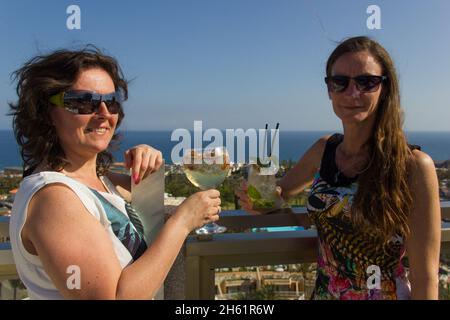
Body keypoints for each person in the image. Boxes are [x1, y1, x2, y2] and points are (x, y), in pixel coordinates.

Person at [236, 36, 441, 300]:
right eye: (340, 82)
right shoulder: (324, 150)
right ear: (329, 90)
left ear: (385, 88)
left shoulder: (412, 166)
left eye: (366, 82)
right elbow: (281, 193)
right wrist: (259, 200)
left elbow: (425, 277)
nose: (352, 93)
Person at [8, 47, 221, 299]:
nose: (104, 114)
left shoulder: (101, 181)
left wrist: (148, 161)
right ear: (47, 111)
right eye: (83, 102)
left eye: (111, 101)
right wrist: (182, 222)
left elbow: (145, 204)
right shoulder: (54, 199)